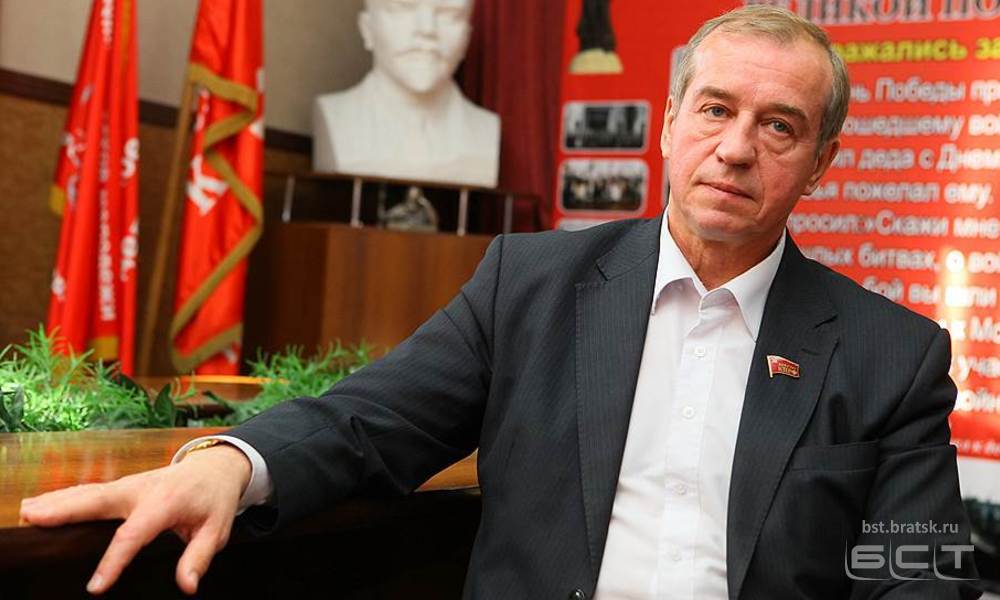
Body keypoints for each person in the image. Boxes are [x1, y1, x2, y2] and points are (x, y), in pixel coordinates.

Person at [20, 6, 981, 599]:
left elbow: (922, 580)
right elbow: (367, 421)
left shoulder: (892, 357)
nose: (735, 149)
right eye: (716, 109)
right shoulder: (531, 285)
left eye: (779, 127)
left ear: (820, 164)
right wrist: (233, 463)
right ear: (668, 124)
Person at [312, 0, 501, 188]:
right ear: (367, 29)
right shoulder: (337, 117)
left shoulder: (484, 131)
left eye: (449, 14)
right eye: (403, 8)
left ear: (466, 37)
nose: (427, 29)